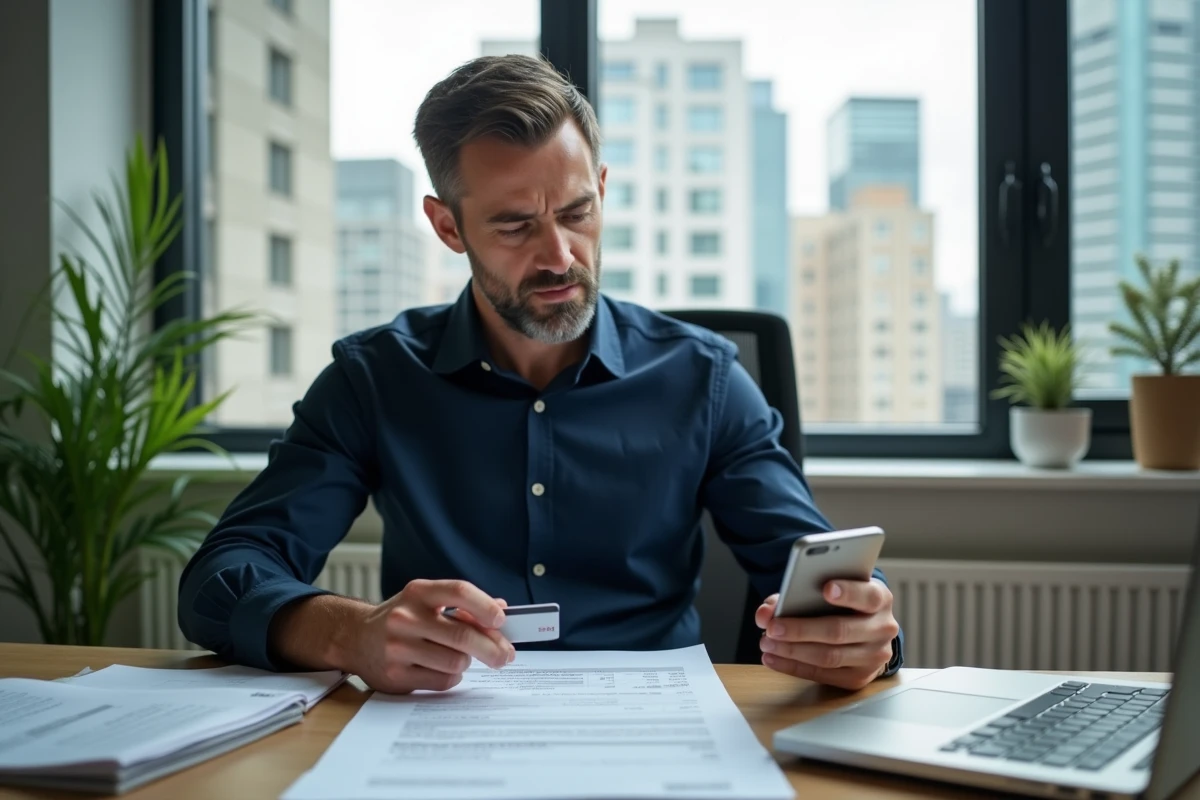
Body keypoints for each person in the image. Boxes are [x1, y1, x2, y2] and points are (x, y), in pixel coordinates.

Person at [178, 54, 903, 695]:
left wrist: (865, 631)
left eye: (578, 211)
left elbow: (822, 573)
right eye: (516, 225)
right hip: (442, 730)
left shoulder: (705, 378)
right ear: (447, 227)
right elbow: (220, 577)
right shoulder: (375, 378)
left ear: (602, 189)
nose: (559, 255)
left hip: (657, 733)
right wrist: (350, 632)